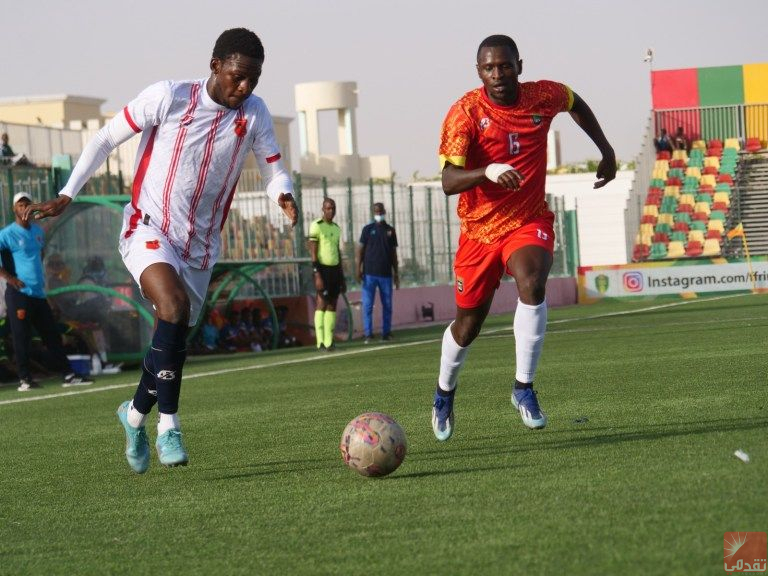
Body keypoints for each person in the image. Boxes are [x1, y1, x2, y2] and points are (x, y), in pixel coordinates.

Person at [26, 28, 298, 473]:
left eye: (254, 79)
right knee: (171, 308)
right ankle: (168, 426)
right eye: (237, 77)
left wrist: (283, 194)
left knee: (171, 342)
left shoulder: (255, 113)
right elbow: (105, 139)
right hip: (148, 227)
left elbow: (273, 168)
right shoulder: (169, 97)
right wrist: (68, 192)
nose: (244, 87)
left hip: (202, 246)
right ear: (215, 67)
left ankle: (133, 416)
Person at [432, 35, 615, 441]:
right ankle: (444, 392)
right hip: (479, 232)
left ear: (520, 64)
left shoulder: (543, 96)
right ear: (478, 71)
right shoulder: (465, 112)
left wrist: (606, 150)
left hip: (527, 220)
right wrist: (487, 171)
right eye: (489, 68)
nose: (498, 74)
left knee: (532, 282)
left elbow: (576, 103)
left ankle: (523, 388)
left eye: (505, 65)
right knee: (467, 325)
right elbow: (447, 180)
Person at [0, 192, 94, 391]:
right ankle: (25, 379)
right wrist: (11, 279)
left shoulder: (37, 232)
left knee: (51, 334)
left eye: (26, 203)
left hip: (38, 293)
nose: (23, 206)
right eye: (20, 204)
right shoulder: (7, 234)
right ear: (14, 209)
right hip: (19, 293)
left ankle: (68, 374)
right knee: (21, 336)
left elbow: (39, 255)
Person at [356, 202, 399, 343]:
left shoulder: (390, 230)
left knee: (387, 305)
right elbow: (360, 250)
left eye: (381, 212)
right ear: (373, 213)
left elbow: (393, 254)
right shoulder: (367, 229)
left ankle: (386, 333)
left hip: (386, 274)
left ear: (384, 212)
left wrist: (396, 274)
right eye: (376, 212)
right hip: (369, 273)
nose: (379, 214)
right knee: (368, 305)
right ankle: (368, 334)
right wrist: (358, 268)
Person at [308, 197, 346, 351]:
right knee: (321, 303)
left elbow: (337, 251)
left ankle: (329, 342)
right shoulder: (316, 226)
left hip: (335, 270)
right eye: (328, 208)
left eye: (333, 208)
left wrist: (342, 276)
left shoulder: (337, 228)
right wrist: (316, 273)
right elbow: (313, 251)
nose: (331, 211)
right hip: (322, 270)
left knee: (332, 304)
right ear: (323, 209)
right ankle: (320, 342)